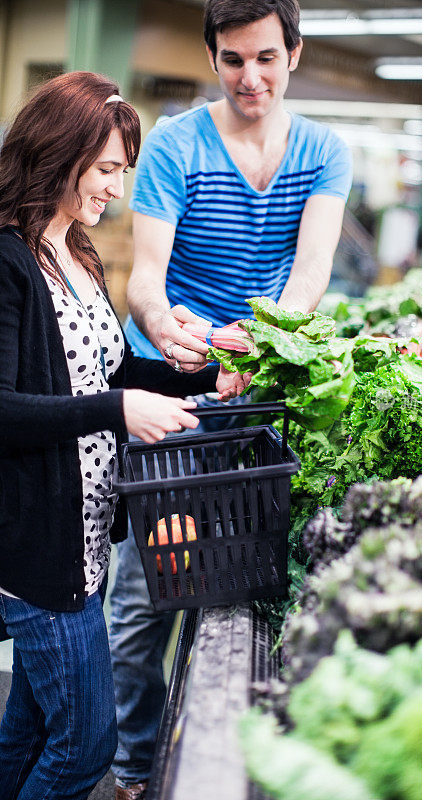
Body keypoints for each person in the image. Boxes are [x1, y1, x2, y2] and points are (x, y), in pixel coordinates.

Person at [109, 0, 353, 796]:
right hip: (170, 385)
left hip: (256, 385)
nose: (250, 77)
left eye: (265, 59)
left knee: (243, 570)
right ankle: (130, 767)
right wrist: (164, 323)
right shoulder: (178, 141)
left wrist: (271, 338)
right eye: (232, 60)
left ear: (294, 54)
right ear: (212, 57)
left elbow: (310, 272)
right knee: (148, 589)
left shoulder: (323, 150)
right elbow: (147, 277)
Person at [0, 71, 218, 800]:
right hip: (35, 551)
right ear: (58, 154)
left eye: (121, 172)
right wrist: (118, 408)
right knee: (86, 750)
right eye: (106, 171)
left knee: (28, 733)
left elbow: (109, 367)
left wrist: (201, 378)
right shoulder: (8, 264)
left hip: (86, 539)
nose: (116, 190)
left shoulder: (79, 252)